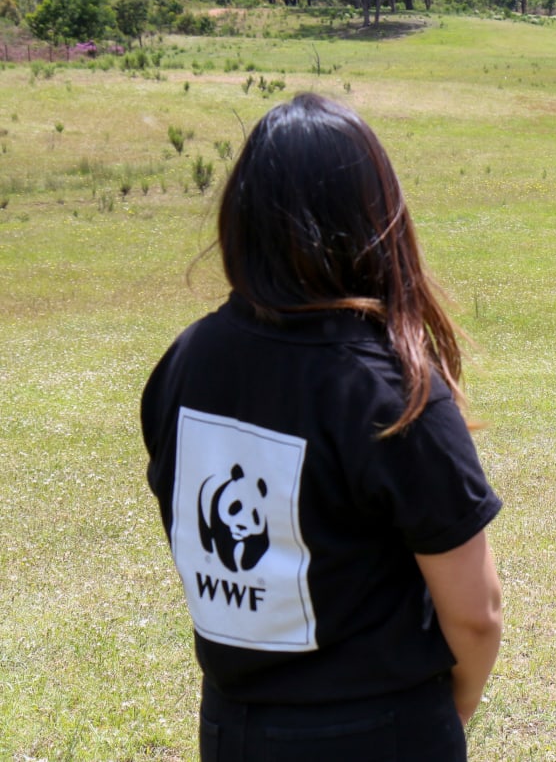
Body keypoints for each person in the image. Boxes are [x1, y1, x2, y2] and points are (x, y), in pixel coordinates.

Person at [142, 93, 503, 761]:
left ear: (241, 216)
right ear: (377, 219)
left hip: (232, 727)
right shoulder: (390, 390)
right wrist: (444, 715)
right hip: (379, 729)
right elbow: (475, 614)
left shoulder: (185, 361)